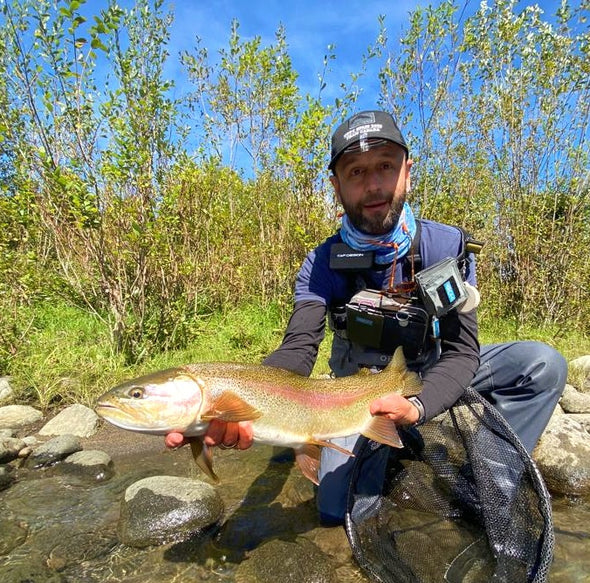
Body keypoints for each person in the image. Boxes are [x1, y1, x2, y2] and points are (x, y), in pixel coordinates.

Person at [166, 110, 567, 525]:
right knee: (336, 512)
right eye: (356, 172)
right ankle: (387, 450)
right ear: (336, 186)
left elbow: (464, 353)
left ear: (407, 173)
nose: (373, 185)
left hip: (430, 369)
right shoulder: (321, 263)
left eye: (385, 167)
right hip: (354, 395)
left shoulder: (446, 247)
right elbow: (299, 348)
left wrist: (419, 405)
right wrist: (245, 401)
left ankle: (489, 480)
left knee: (541, 366)